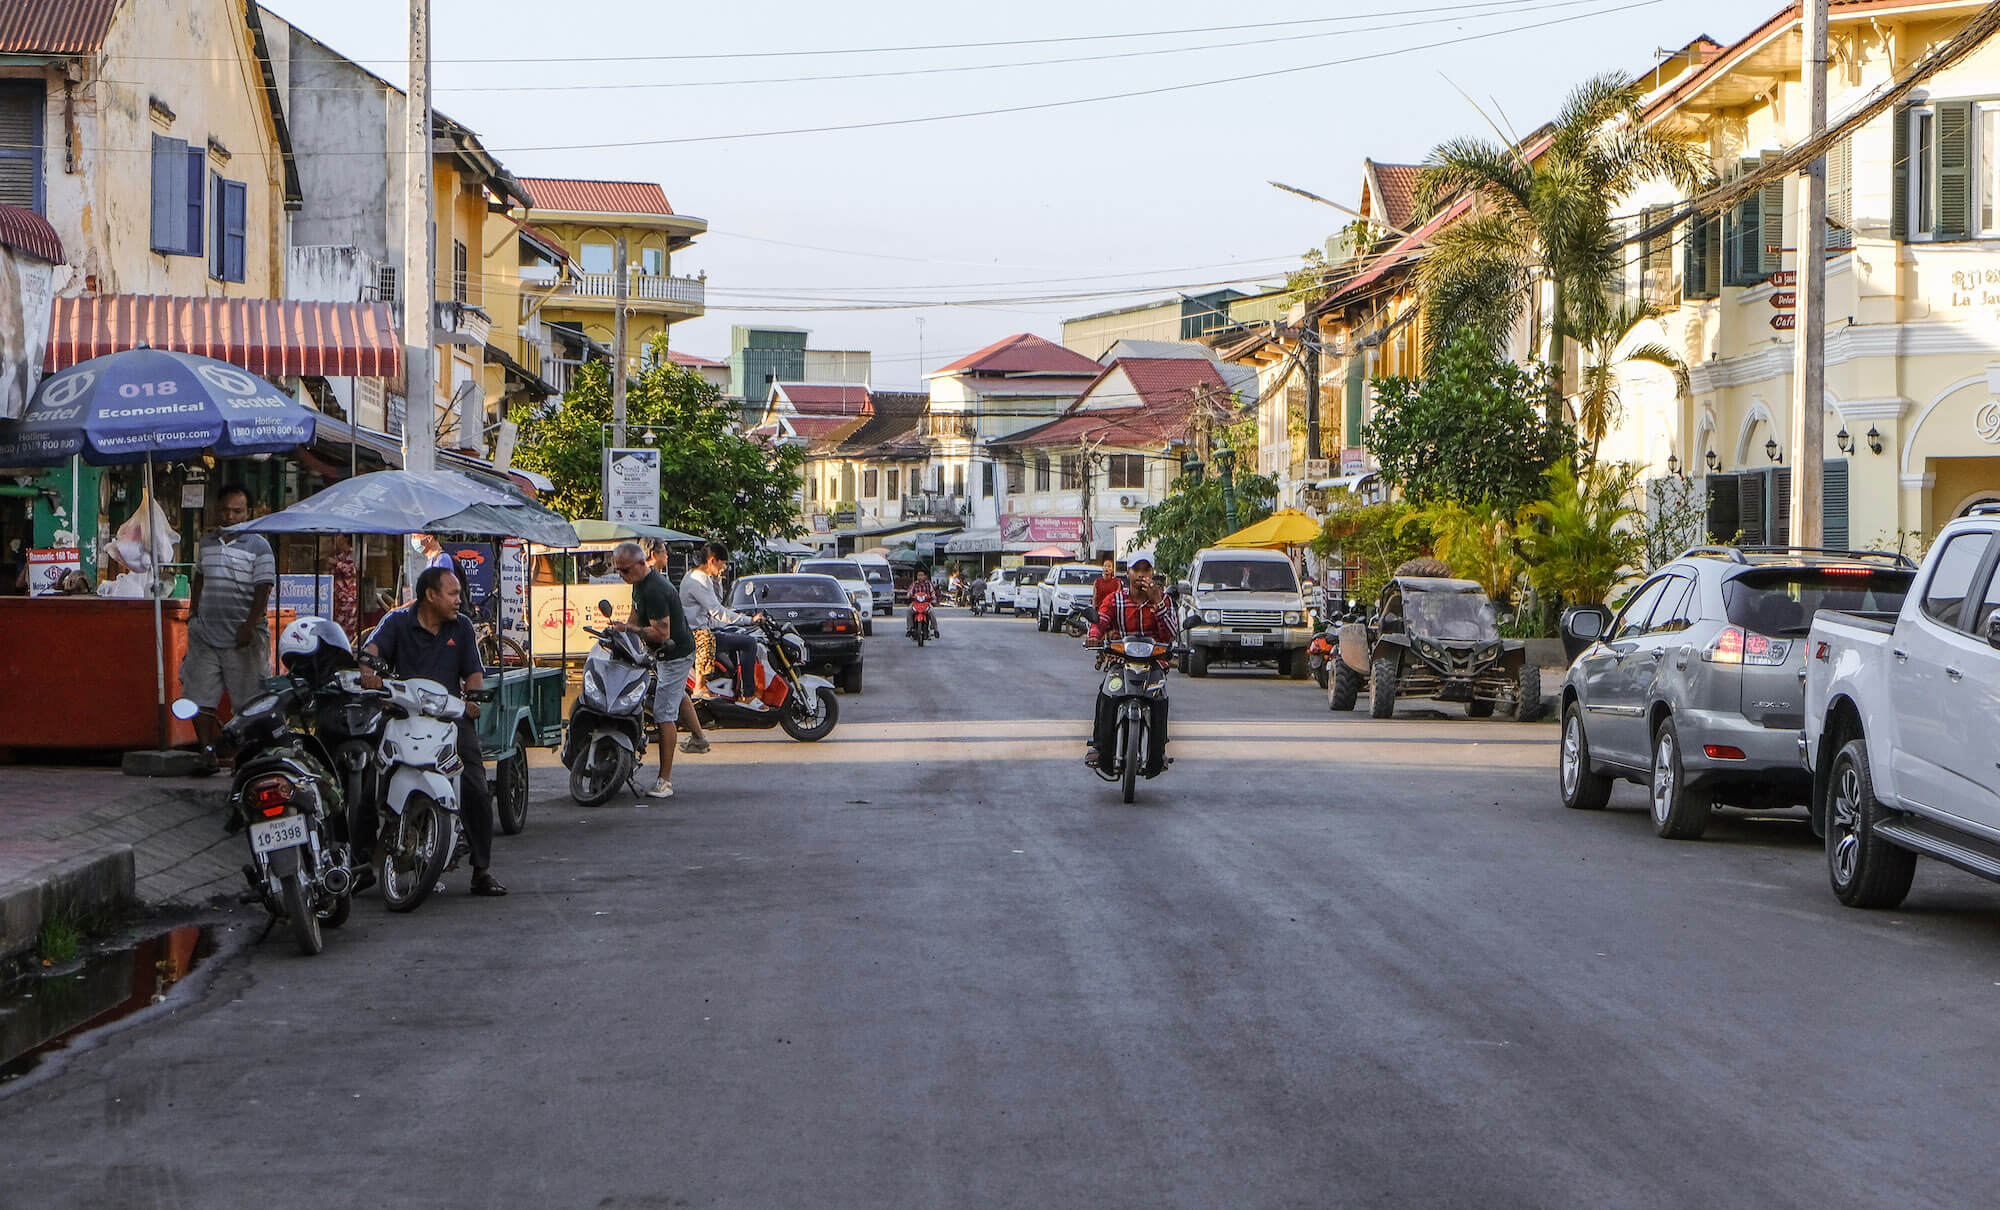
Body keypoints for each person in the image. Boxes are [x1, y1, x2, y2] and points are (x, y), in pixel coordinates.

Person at [363, 567, 506, 897]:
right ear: (431, 595)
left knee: (475, 784)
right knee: (370, 778)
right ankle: (362, 860)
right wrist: (368, 673)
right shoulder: (396, 622)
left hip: (449, 719)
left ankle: (481, 870)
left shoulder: (463, 627)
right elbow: (370, 653)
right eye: (453, 594)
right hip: (403, 713)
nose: (460, 600)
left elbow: (473, 673)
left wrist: (472, 701)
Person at [181, 484, 275, 774]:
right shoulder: (207, 542)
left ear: (249, 512)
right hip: (205, 636)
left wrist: (249, 625)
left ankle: (247, 757)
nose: (230, 516)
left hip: (243, 639)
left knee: (250, 702)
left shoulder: (260, 545)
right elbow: (199, 577)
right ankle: (207, 751)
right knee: (198, 697)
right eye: (225, 510)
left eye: (237, 511)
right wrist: (193, 612)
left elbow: (264, 587)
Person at [603, 541, 698, 799]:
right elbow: (635, 613)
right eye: (618, 571)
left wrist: (629, 630)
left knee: (663, 714)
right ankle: (700, 738)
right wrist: (621, 633)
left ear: (641, 563)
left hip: (675, 652)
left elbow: (661, 632)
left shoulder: (655, 589)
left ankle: (664, 782)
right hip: (666, 653)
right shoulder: (640, 584)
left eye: (625, 570)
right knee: (675, 694)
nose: (622, 575)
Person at [1085, 555, 1178, 774]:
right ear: (1128, 574)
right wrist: (1094, 636)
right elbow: (1101, 621)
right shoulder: (1115, 599)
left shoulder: (1162, 599)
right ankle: (1099, 747)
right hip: (1121, 661)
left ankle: (1158, 752)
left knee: (1160, 698)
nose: (1141, 575)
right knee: (1107, 693)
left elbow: (1172, 632)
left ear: (1152, 574)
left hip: (1153, 664)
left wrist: (1158, 602)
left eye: (1146, 571)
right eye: (1137, 570)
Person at [680, 541, 762, 707]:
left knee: (735, 634)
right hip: (698, 633)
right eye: (723, 562)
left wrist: (717, 579)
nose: (724, 567)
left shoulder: (696, 576)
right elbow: (717, 611)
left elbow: (716, 602)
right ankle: (748, 695)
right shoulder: (699, 580)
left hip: (699, 628)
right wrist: (748, 620)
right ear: (712, 560)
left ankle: (731, 687)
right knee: (749, 643)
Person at [325, 534, 359, 640]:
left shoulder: (353, 554)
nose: (336, 540)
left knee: (347, 631)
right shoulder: (339, 555)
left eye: (338, 537)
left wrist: (337, 564)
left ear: (345, 538)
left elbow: (352, 571)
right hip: (337, 600)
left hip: (348, 601)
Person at [907, 568, 940, 638]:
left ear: (925, 576)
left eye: (921, 575)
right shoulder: (914, 584)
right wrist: (909, 596)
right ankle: (909, 629)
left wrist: (933, 596)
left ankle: (935, 629)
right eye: (918, 575)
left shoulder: (928, 584)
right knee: (909, 610)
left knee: (932, 611)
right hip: (915, 603)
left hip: (926, 603)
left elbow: (932, 592)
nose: (920, 577)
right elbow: (910, 592)